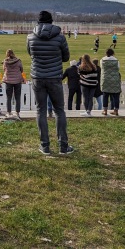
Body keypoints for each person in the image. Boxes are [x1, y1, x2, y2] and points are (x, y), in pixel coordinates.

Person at [27, 10, 73, 155]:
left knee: (40, 110)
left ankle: (45, 145)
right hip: (54, 77)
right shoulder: (60, 38)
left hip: (38, 77)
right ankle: (63, 146)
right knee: (59, 110)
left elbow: (30, 54)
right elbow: (66, 57)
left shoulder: (30, 37)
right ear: (51, 21)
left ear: (38, 22)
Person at [3, 49, 24, 118]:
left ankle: (9, 112)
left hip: (8, 81)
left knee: (9, 97)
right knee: (17, 97)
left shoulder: (5, 62)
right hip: (17, 80)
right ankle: (17, 112)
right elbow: (21, 69)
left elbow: (4, 69)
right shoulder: (18, 61)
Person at [100, 49, 121, 116]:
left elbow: (102, 68)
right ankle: (116, 110)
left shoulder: (102, 60)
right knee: (116, 95)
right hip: (115, 79)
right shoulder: (116, 60)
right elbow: (118, 68)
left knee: (105, 95)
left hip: (106, 79)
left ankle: (105, 110)